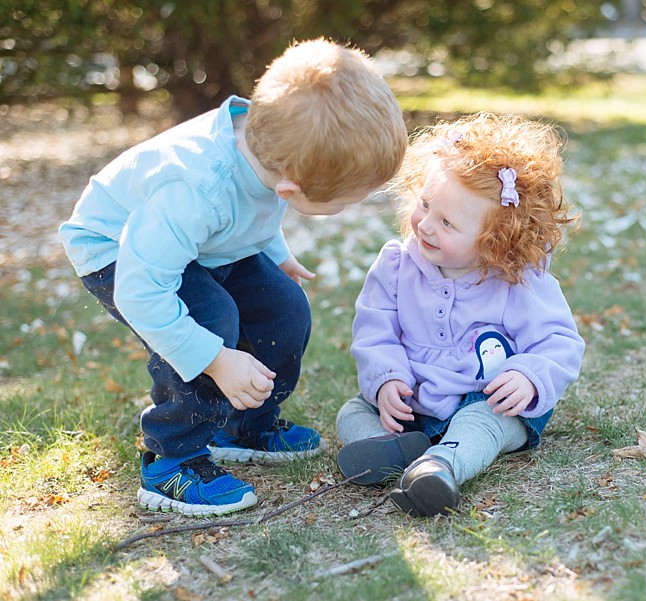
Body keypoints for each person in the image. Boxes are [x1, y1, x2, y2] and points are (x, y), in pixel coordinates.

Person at [58, 39, 408, 517]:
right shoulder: (196, 187)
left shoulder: (270, 147)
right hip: (119, 251)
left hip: (195, 242)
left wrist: (276, 252)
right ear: (293, 186)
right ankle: (170, 458)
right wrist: (216, 359)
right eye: (343, 202)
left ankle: (242, 424)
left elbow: (255, 204)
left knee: (283, 305)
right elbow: (142, 293)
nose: (347, 208)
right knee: (210, 320)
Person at [335, 112, 584, 517]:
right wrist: (387, 382)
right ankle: (389, 449)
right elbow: (374, 332)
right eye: (425, 204)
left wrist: (528, 375)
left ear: (494, 241)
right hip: (414, 399)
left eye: (447, 222)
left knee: (485, 424)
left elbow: (558, 341)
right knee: (353, 411)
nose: (426, 226)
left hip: (484, 397)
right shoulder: (396, 267)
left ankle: (441, 467)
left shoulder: (516, 282)